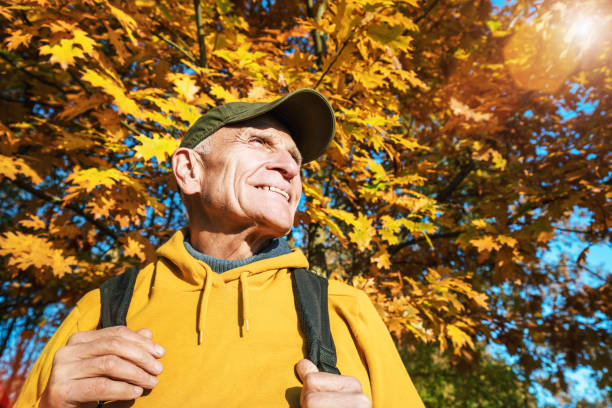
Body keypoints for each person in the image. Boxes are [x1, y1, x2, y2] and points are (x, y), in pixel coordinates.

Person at [15, 89, 424, 407]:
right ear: (190, 169)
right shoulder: (101, 309)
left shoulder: (344, 309)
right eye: (260, 142)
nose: (290, 166)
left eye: (295, 157)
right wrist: (51, 404)